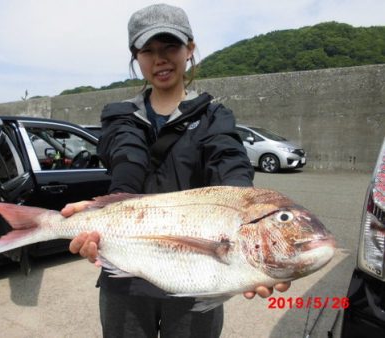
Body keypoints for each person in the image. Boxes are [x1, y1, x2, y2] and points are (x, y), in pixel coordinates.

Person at [62, 3, 290, 337]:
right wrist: (103, 210)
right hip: (126, 276)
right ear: (135, 57)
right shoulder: (120, 116)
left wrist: (248, 217)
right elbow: (128, 160)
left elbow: (228, 159)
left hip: (199, 277)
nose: (160, 59)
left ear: (190, 49)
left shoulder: (214, 117)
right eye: (148, 50)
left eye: (170, 46)